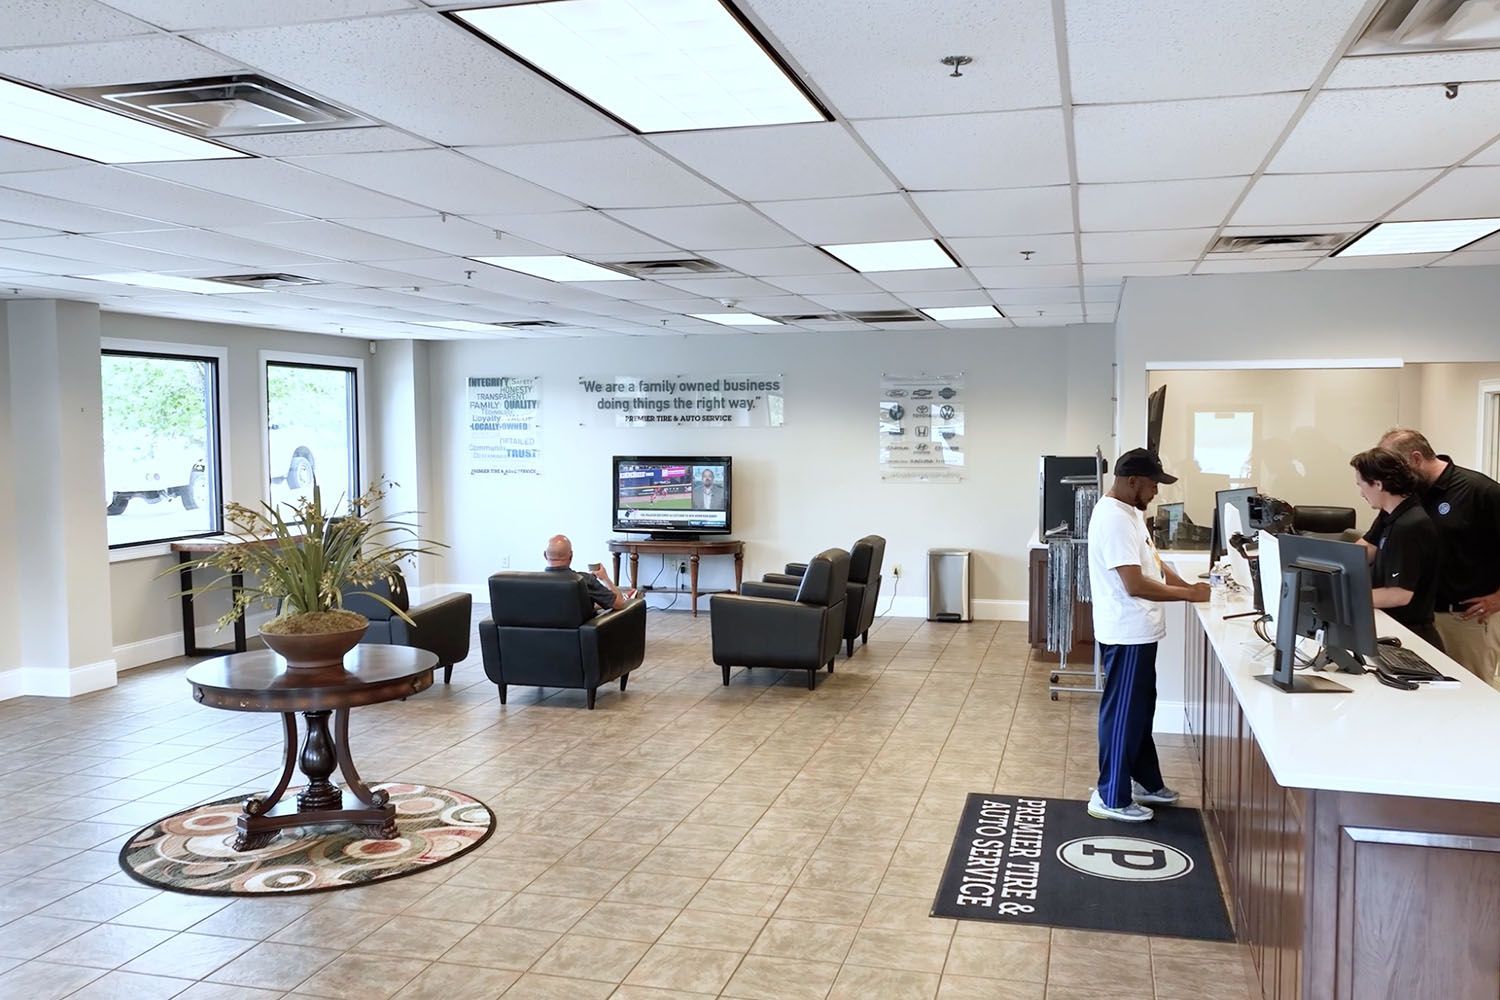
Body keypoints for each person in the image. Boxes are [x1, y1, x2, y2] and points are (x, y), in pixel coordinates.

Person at [1087, 448, 1211, 823]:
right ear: (1132, 482)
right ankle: (1110, 796)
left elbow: (1154, 565)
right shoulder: (1113, 520)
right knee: (1122, 714)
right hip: (1126, 633)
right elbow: (1135, 583)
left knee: (1139, 712)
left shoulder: (1131, 513)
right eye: (1154, 484)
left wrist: (1188, 585)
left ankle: (1145, 782)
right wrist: (1189, 595)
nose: (1157, 491)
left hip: (1141, 632)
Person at [1379, 428, 1500, 684]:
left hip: (1465, 619)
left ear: (1415, 458)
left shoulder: (1481, 492)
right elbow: (1371, 540)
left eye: (1396, 467)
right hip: (1420, 616)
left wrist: (1499, 598)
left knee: (1471, 696)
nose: (1391, 477)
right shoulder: (1410, 493)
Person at [1351, 448, 1445, 651]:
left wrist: (1345, 596)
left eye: (1361, 485)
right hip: (1395, 629)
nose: (1361, 493)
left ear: (1378, 483)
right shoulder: (1392, 516)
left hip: (1412, 636)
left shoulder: (1409, 525)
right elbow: (1364, 551)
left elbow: (1399, 594)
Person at [543, 535, 635, 613]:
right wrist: (605, 578)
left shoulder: (532, 583)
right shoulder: (583, 580)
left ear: (545, 555)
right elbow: (619, 603)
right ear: (571, 556)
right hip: (581, 632)